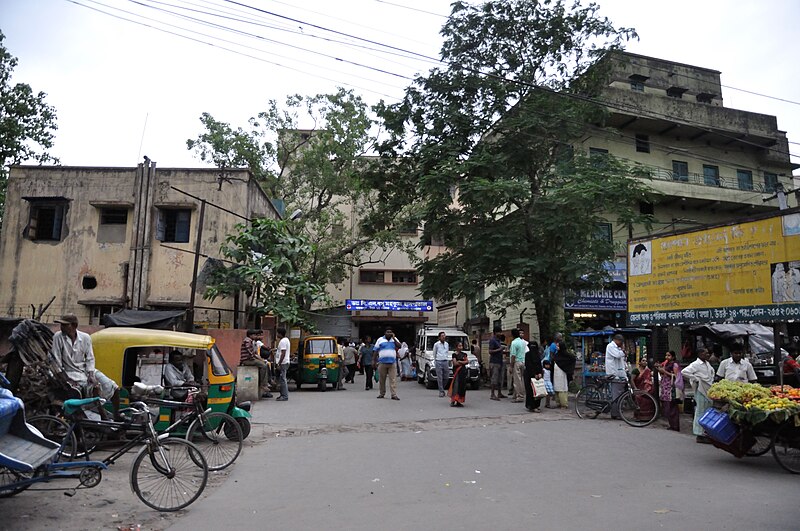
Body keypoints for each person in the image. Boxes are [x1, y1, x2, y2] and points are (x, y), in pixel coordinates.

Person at [51, 314, 96, 398]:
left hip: (83, 370)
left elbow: (90, 358)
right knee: (75, 391)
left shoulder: (85, 337)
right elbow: (56, 361)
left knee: (106, 385)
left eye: (65, 325)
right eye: (61, 325)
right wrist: (66, 379)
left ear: (74, 326)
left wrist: (91, 374)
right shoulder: (58, 337)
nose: (62, 327)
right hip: (66, 372)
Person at [682, 348, 715, 444]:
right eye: (706, 353)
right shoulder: (696, 364)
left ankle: (705, 432)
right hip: (700, 390)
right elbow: (684, 372)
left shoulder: (707, 363)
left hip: (708, 389)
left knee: (707, 412)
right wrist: (696, 379)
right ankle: (699, 434)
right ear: (700, 354)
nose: (708, 355)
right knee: (700, 411)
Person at [240, 329, 271, 398]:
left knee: (264, 364)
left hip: (250, 359)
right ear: (250, 335)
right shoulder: (248, 341)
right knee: (263, 366)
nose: (255, 336)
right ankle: (263, 384)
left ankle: (264, 383)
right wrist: (258, 359)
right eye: (254, 335)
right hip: (247, 360)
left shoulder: (251, 341)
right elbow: (251, 353)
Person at [657, 351, 683, 431]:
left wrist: (664, 371)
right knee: (667, 406)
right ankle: (671, 424)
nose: (667, 357)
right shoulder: (666, 363)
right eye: (666, 355)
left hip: (671, 387)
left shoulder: (674, 364)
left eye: (669, 355)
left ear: (673, 357)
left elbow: (676, 375)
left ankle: (675, 426)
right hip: (665, 387)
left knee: (672, 406)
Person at [373, 329, 400, 400]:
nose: (389, 333)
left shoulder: (394, 340)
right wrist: (373, 361)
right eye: (387, 332)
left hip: (392, 363)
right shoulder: (380, 340)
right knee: (382, 379)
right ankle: (382, 393)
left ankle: (393, 394)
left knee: (393, 379)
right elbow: (375, 351)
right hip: (382, 362)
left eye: (390, 332)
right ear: (385, 333)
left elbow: (399, 346)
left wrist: (394, 338)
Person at [605, 334, 628, 419]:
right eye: (621, 342)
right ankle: (615, 413)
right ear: (616, 340)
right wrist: (623, 350)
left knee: (620, 393)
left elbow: (622, 360)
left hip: (619, 374)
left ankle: (618, 412)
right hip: (613, 374)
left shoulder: (618, 348)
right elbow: (618, 355)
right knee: (616, 395)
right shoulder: (610, 346)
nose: (621, 344)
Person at [552, 333, 575, 409]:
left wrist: (568, 369)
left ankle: (563, 404)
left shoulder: (566, 355)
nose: (557, 347)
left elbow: (572, 359)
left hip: (562, 373)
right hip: (556, 373)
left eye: (558, 346)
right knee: (557, 387)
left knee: (562, 388)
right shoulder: (557, 354)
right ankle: (558, 402)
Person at [524, 339, 544, 412]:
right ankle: (531, 406)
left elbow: (539, 365)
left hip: (537, 375)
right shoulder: (527, 355)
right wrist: (534, 374)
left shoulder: (538, 354)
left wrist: (540, 373)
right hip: (529, 375)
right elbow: (528, 365)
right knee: (530, 391)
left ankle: (536, 405)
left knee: (537, 391)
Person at [448, 342, 469, 407]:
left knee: (462, 386)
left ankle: (459, 401)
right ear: (456, 347)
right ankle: (453, 400)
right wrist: (462, 363)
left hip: (463, 372)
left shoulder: (464, 354)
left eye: (461, 346)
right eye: (459, 346)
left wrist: (460, 362)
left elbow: (467, 361)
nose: (461, 347)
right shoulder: (454, 355)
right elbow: (455, 363)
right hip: (457, 372)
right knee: (456, 386)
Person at [509, 329, 527, 403]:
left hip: (517, 362)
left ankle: (520, 396)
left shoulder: (514, 343)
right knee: (521, 380)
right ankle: (515, 394)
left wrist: (511, 366)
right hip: (523, 361)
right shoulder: (523, 342)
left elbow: (513, 355)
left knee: (517, 380)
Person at [488, 327, 506, 401]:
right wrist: (499, 349)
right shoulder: (492, 340)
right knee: (494, 378)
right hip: (494, 362)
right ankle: (492, 394)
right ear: (495, 333)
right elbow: (490, 351)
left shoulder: (499, 341)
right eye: (499, 332)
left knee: (500, 378)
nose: (500, 334)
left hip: (500, 361)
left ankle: (499, 393)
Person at [432, 331, 450, 398]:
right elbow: (434, 353)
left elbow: (447, 352)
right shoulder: (436, 344)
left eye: (444, 336)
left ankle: (442, 387)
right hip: (438, 361)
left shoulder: (447, 344)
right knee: (440, 377)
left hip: (445, 361)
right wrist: (435, 361)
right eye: (442, 336)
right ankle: (441, 391)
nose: (444, 337)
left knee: (446, 377)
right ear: (439, 337)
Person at [275, 327, 291, 401]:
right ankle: (282, 394)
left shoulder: (283, 341)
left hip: (283, 363)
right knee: (282, 379)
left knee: (283, 379)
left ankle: (284, 396)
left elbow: (283, 353)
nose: (277, 334)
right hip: (285, 362)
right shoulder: (286, 340)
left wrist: (279, 363)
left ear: (280, 334)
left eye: (278, 333)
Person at [541, 339, 555, 408]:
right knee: (546, 393)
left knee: (549, 393)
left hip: (548, 382)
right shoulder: (544, 370)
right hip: (545, 382)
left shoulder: (547, 348)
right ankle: (547, 403)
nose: (548, 366)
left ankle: (548, 403)